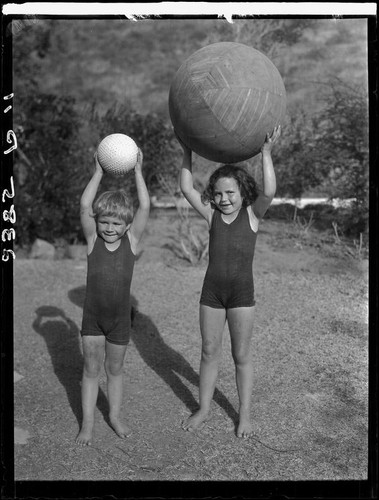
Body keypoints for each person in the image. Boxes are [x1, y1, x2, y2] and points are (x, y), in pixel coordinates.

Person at [178, 126, 281, 438]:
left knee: (241, 356)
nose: (223, 199)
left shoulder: (252, 214)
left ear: (242, 192)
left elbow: (270, 192)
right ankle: (204, 409)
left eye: (230, 193)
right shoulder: (210, 214)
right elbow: (186, 189)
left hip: (241, 295)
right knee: (209, 351)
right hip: (211, 293)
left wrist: (265, 153)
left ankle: (244, 414)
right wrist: (187, 150)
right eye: (219, 193)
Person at [76, 149, 150, 446]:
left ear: (127, 226)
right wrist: (97, 173)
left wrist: (138, 173)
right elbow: (84, 205)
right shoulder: (92, 240)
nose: (110, 228)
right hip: (92, 320)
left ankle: (115, 417)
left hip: (120, 321)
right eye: (105, 222)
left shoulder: (131, 242)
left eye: (117, 224)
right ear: (98, 221)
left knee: (115, 370)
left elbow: (144, 206)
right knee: (91, 370)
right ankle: (88, 423)